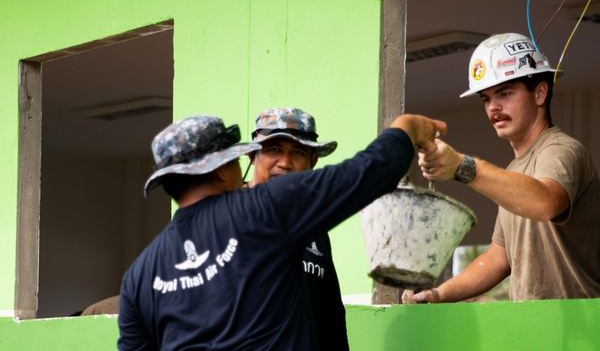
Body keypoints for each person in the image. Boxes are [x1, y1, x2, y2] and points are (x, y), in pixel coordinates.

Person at [117, 113, 445, 350]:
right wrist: (408, 127)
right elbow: (368, 172)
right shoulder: (262, 210)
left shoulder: (138, 276)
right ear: (220, 171)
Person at [402, 32, 600, 304]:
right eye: (486, 98)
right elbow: (498, 258)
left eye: (505, 93)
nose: (494, 107)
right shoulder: (514, 169)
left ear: (540, 92)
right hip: (532, 329)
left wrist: (463, 167)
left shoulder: (561, 149)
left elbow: (545, 203)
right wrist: (438, 294)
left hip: (581, 335)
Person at [244, 107, 348, 350]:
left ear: (312, 161)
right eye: (274, 149)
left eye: (298, 152)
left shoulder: (313, 227)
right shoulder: (220, 215)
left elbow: (330, 315)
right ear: (252, 155)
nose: (285, 163)